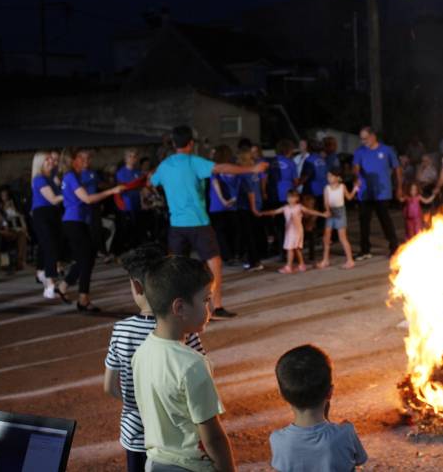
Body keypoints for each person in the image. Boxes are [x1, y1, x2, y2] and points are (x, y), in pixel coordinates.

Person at [149, 125, 268, 320]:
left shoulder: (165, 165)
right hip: (198, 223)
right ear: (191, 143)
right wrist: (252, 169)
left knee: (175, 268)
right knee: (214, 263)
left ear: (173, 143)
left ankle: (174, 311)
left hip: (176, 225)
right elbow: (221, 167)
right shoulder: (194, 161)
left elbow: (151, 182)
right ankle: (216, 307)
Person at [104, 245, 205, 472]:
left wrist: (139, 403)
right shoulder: (183, 328)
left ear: (136, 286)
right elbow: (200, 380)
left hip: (136, 432)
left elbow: (109, 386)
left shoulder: (122, 330)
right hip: (177, 437)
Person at [132, 256, 235, 472]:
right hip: (191, 466)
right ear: (179, 307)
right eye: (206, 300)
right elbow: (213, 438)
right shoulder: (192, 364)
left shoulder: (141, 353)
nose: (210, 307)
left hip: (155, 463)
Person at [269, 344, 367, 472]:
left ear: (282, 394)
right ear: (330, 393)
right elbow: (360, 460)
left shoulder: (278, 440)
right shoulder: (345, 433)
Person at [60, 149, 124, 312]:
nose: (85, 161)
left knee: (86, 258)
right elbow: (87, 199)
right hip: (74, 221)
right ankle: (82, 298)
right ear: (73, 161)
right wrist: (111, 191)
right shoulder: (71, 176)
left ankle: (67, 287)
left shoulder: (73, 176)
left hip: (78, 221)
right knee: (86, 258)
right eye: (80, 158)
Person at [352, 127, 401, 260]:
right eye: (361, 139)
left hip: (382, 192)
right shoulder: (359, 151)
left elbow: (397, 169)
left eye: (365, 138)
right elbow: (355, 167)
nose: (363, 141)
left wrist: (399, 187)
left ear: (373, 136)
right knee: (364, 221)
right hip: (365, 192)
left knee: (385, 220)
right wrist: (356, 177)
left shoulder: (387, 150)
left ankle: (394, 248)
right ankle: (365, 250)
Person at [261, 190, 328, 274]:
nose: (290, 199)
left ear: (297, 198)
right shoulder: (285, 208)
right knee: (296, 248)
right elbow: (274, 211)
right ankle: (302, 265)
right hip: (289, 231)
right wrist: (262, 213)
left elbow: (310, 211)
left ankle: (288, 266)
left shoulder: (299, 207)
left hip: (296, 231)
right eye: (289, 197)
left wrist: (322, 214)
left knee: (290, 249)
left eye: (293, 197)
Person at [29, 152, 66, 300]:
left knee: (50, 246)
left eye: (51, 159)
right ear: (40, 163)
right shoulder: (39, 179)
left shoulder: (51, 177)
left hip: (53, 213)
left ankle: (42, 273)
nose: (51, 161)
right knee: (50, 247)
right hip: (42, 214)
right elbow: (53, 199)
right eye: (47, 160)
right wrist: (73, 193)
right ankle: (50, 284)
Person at [317, 169, 359, 270]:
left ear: (337, 178)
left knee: (342, 238)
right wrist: (327, 210)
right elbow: (326, 202)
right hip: (331, 212)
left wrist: (354, 189)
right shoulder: (327, 188)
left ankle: (350, 260)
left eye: (331, 176)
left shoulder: (342, 187)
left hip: (340, 212)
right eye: (328, 176)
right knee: (326, 238)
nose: (329, 178)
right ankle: (325, 260)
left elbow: (349, 197)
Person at [208, 145, 240, 265]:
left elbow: (215, 182)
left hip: (217, 205)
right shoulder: (234, 168)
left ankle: (227, 256)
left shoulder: (215, 168)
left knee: (220, 232)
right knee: (233, 231)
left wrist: (222, 200)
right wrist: (235, 198)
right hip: (233, 204)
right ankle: (235, 254)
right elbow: (239, 184)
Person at [235, 149, 264, 272]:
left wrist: (252, 208)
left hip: (247, 207)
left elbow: (250, 192)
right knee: (255, 233)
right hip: (257, 204)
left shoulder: (244, 174)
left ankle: (254, 262)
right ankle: (255, 259)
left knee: (248, 235)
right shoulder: (254, 172)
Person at [115, 149, 145, 254]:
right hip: (126, 206)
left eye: (134, 156)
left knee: (137, 228)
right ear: (125, 159)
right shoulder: (121, 173)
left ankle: (137, 250)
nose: (132, 159)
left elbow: (141, 186)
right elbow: (122, 188)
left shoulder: (138, 172)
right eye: (130, 156)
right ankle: (125, 251)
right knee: (127, 229)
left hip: (137, 204)